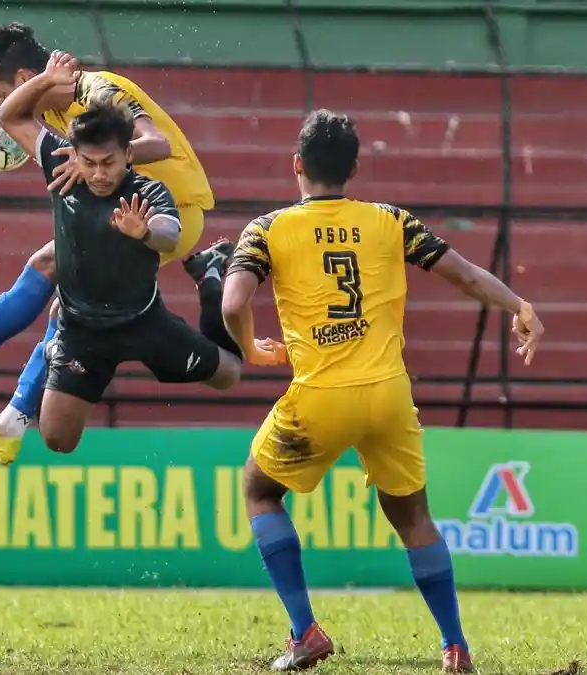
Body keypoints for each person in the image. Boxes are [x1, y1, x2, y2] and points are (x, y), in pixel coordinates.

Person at [221, 110, 544, 673]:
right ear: (354, 168)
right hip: (390, 394)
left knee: (259, 489)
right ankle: (455, 646)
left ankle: (305, 632)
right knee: (414, 516)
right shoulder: (390, 220)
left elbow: (231, 304)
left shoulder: (267, 229)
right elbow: (466, 275)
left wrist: (250, 346)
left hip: (320, 395)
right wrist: (519, 306)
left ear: (297, 165)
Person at [0, 22, 223, 465]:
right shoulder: (47, 96)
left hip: (168, 211)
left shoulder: (101, 92)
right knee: (55, 282)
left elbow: (155, 143)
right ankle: (0, 417)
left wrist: (90, 163)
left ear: (28, 81)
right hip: (118, 205)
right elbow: (17, 103)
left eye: (7, 90)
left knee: (55, 272)